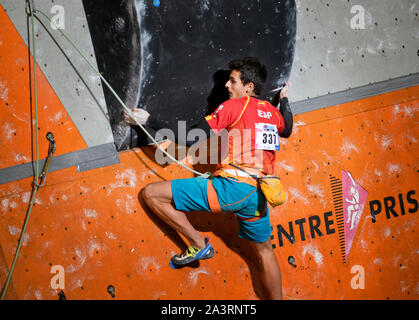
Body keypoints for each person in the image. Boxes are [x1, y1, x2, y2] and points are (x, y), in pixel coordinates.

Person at [124, 57, 293, 300]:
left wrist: (148, 121)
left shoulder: (233, 106)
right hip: (258, 195)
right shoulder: (270, 111)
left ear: (248, 87)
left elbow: (190, 137)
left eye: (232, 80)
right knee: (265, 251)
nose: (226, 85)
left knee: (151, 194)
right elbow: (286, 127)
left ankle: (199, 245)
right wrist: (284, 99)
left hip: (230, 188)